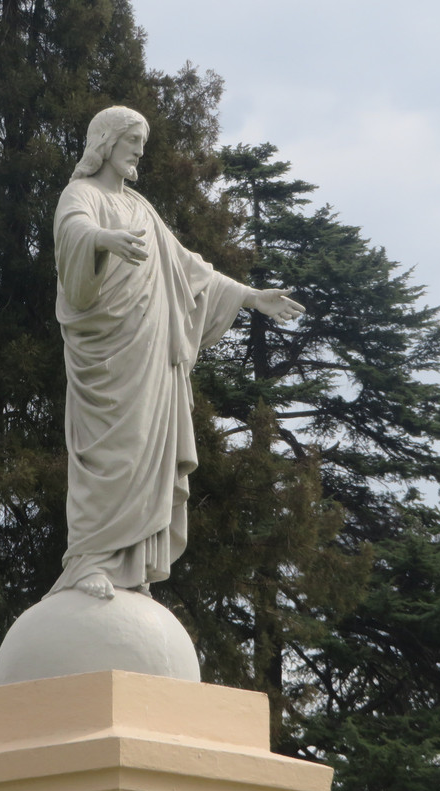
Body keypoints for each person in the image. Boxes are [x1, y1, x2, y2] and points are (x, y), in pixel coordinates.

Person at [49, 106, 304, 600]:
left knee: (146, 448)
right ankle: (89, 559)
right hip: (107, 359)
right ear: (105, 143)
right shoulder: (81, 194)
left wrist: (252, 297)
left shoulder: (143, 208)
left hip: (151, 356)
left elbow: (191, 271)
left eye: (142, 142)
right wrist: (103, 240)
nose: (140, 151)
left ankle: (132, 565)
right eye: (132, 140)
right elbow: (72, 234)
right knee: (110, 454)